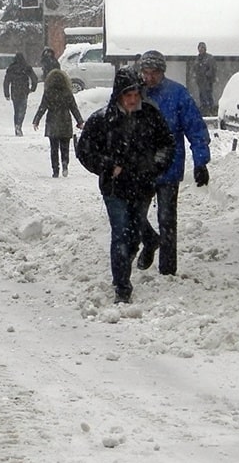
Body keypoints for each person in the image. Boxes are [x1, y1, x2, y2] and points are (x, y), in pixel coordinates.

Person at [76, 68, 175, 304]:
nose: (132, 100)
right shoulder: (102, 120)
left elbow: (167, 145)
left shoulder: (150, 115)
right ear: (118, 96)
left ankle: (147, 242)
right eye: (127, 95)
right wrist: (107, 166)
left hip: (142, 186)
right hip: (115, 188)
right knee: (120, 234)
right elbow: (85, 151)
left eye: (136, 94)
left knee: (132, 235)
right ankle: (122, 286)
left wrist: (155, 166)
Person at [136, 50, 211, 277]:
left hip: (169, 167)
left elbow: (195, 129)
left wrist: (201, 161)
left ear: (162, 72)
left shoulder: (177, 95)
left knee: (167, 218)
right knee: (134, 214)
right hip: (141, 168)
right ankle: (150, 241)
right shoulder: (134, 93)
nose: (149, 78)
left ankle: (168, 269)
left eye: (153, 73)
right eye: (145, 73)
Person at [32, 68, 84, 178]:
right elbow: (74, 108)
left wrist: (36, 120)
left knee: (54, 148)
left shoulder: (48, 92)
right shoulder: (67, 93)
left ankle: (55, 169)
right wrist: (79, 121)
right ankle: (65, 164)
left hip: (52, 121)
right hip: (65, 121)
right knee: (65, 147)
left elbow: (42, 107)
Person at [3, 52, 38, 136]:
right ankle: (19, 125)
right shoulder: (27, 68)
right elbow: (34, 78)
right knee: (22, 110)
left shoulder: (11, 68)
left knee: (16, 110)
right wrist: (32, 89)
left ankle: (17, 127)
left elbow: (6, 82)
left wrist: (7, 94)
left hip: (15, 91)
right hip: (24, 91)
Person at [194, 42, 217, 116]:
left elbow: (213, 69)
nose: (201, 50)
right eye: (199, 48)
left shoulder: (209, 58)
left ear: (205, 49)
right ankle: (204, 111)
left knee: (208, 96)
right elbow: (195, 69)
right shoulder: (197, 58)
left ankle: (210, 111)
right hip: (200, 82)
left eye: (202, 48)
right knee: (202, 96)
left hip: (207, 82)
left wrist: (207, 75)